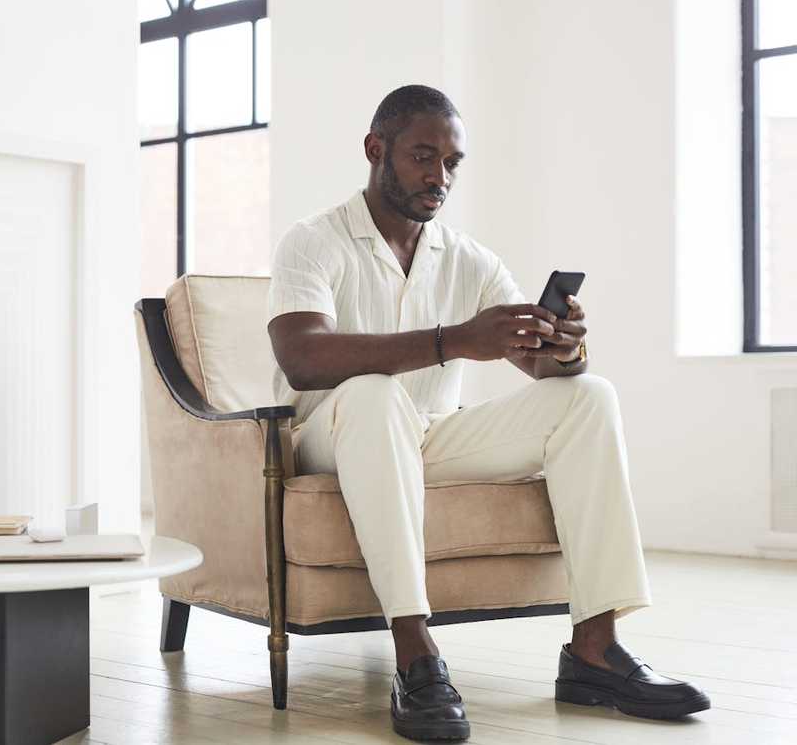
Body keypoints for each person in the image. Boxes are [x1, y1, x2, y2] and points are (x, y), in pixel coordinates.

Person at [266, 84, 709, 742]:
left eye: (451, 163)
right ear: (374, 149)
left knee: (590, 397)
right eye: (423, 156)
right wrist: (451, 341)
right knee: (374, 391)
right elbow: (302, 357)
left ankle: (595, 650)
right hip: (329, 432)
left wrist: (565, 346)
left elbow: (536, 366)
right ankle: (416, 655)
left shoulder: (466, 257)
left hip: (430, 435)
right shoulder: (313, 240)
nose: (438, 177)